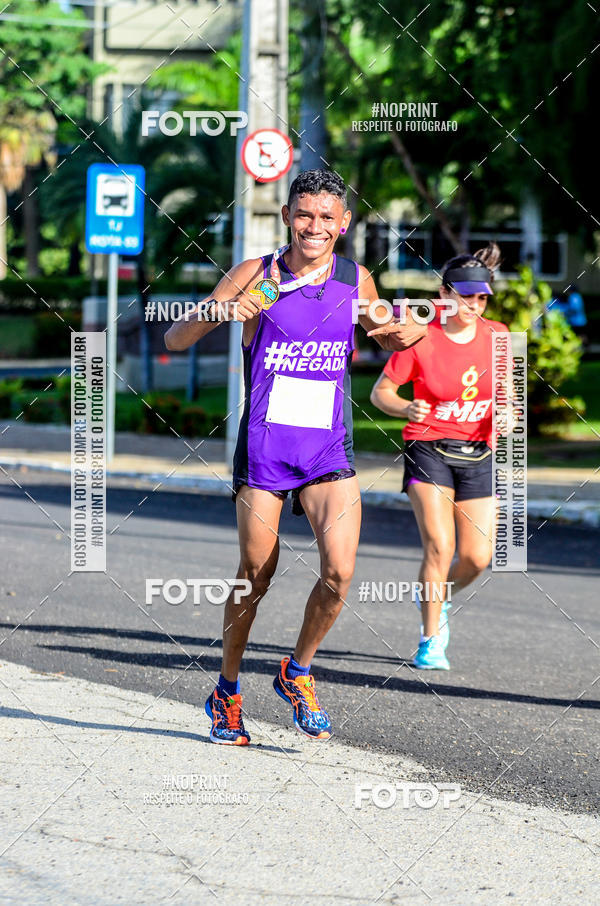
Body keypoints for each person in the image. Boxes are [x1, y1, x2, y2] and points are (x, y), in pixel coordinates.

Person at [165, 169, 426, 744]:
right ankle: (227, 691)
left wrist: (401, 332)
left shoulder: (356, 280)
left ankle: (298, 670)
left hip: (328, 448)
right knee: (255, 577)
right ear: (287, 216)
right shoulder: (254, 274)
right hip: (266, 449)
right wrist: (222, 311)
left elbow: (387, 335)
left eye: (327, 218)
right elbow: (174, 339)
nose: (315, 227)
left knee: (340, 571)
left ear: (344, 223)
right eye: (304, 215)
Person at [370, 243, 509, 670]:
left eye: (481, 296)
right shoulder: (420, 339)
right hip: (427, 447)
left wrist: (507, 413)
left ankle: (435, 594)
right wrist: (406, 408)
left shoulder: (499, 335)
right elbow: (381, 393)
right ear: (444, 294)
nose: (474, 304)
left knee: (477, 557)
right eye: (466, 295)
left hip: (478, 452)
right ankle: (431, 639)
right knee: (440, 545)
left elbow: (507, 394)